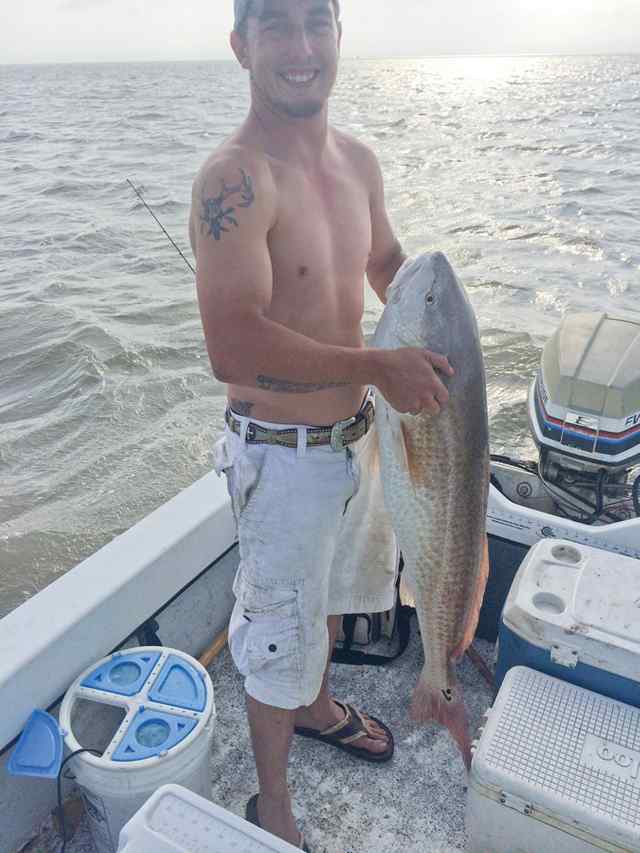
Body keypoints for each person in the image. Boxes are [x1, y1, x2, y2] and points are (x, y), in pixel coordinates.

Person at [189, 1, 454, 848]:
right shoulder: (234, 178)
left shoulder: (359, 162)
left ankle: (317, 702)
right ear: (241, 46)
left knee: (333, 599)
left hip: (358, 443)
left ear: (339, 35)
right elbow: (232, 345)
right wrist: (378, 365)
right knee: (276, 640)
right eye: (276, 25)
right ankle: (272, 807)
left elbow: (384, 265)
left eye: (317, 21)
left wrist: (442, 317)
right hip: (283, 461)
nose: (300, 46)